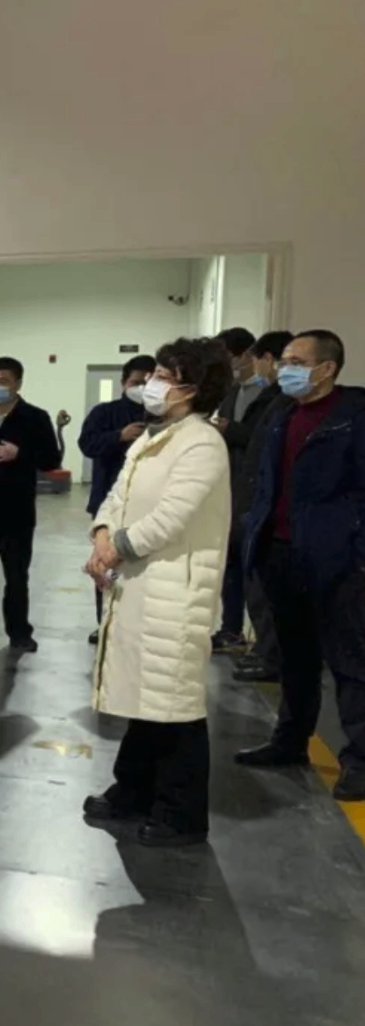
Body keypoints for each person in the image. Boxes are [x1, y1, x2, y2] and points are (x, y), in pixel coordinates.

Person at [83, 337, 233, 847]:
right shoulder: (156, 435)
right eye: (156, 374)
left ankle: (180, 815)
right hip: (140, 584)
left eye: (166, 376)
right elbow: (117, 495)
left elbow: (172, 518)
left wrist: (114, 550)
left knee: (174, 705)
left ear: (194, 388)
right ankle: (133, 791)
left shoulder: (201, 443)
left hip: (174, 591)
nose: (153, 383)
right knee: (143, 697)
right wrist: (102, 534)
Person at [234, 330, 365, 803]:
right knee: (295, 658)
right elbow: (261, 476)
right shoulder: (281, 413)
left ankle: (360, 760)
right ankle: (290, 741)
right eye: (284, 360)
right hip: (280, 552)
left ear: (327, 368)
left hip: (337, 559)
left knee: (350, 662)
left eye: (295, 361)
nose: (283, 368)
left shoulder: (354, 417)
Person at [0, 357, 64, 652]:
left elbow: (51, 460)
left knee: (16, 576)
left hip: (16, 511)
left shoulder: (35, 418)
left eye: (3, 382)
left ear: (18, 384)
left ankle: (19, 633)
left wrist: (20, 454)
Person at [226, 331, 293, 683]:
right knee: (256, 585)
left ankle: (272, 657)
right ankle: (266, 652)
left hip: (269, 511)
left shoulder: (284, 402)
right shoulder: (274, 400)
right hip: (252, 504)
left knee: (266, 589)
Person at [77, 354, 156, 642]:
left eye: (148, 382)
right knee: (105, 564)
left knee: (143, 569)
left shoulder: (160, 416)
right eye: (136, 382)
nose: (141, 388)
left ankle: (138, 626)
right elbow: (87, 444)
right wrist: (118, 437)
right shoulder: (104, 412)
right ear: (124, 383)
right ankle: (105, 624)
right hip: (107, 503)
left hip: (148, 505)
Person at [209, 327, 259, 653]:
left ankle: (263, 641)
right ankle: (231, 629)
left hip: (256, 492)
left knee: (255, 568)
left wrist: (233, 430)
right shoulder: (231, 394)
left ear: (246, 355)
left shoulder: (272, 397)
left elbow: (263, 441)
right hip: (230, 489)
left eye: (228, 357)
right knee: (230, 565)